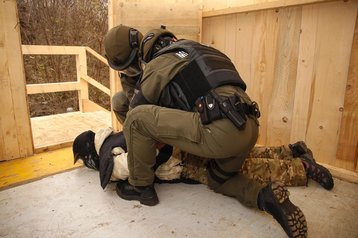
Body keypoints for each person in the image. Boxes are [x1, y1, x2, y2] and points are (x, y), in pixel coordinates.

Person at [106, 27, 308, 237]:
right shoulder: (204, 52)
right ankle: (266, 197)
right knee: (220, 180)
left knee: (137, 120)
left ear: (147, 53)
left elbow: (135, 114)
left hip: (220, 131)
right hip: (249, 126)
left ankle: (141, 188)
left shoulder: (160, 63)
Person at [73, 128, 333, 190]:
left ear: (90, 156)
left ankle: (303, 168)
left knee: (244, 170)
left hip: (182, 163)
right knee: (240, 156)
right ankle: (292, 150)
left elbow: (133, 165)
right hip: (184, 145)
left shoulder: (109, 155)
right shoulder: (115, 135)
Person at [103, 25, 143, 123]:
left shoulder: (155, 54)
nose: (129, 71)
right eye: (125, 69)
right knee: (118, 101)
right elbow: (131, 95)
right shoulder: (126, 69)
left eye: (131, 65)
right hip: (143, 99)